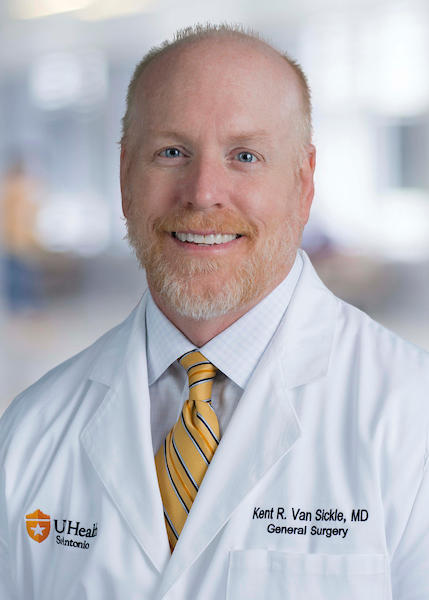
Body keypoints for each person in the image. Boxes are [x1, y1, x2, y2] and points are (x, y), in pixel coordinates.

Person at [1, 24, 428, 600]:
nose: (203, 193)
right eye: (171, 153)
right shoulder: (30, 431)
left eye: (244, 156)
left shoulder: (412, 420)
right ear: (125, 178)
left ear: (303, 184)